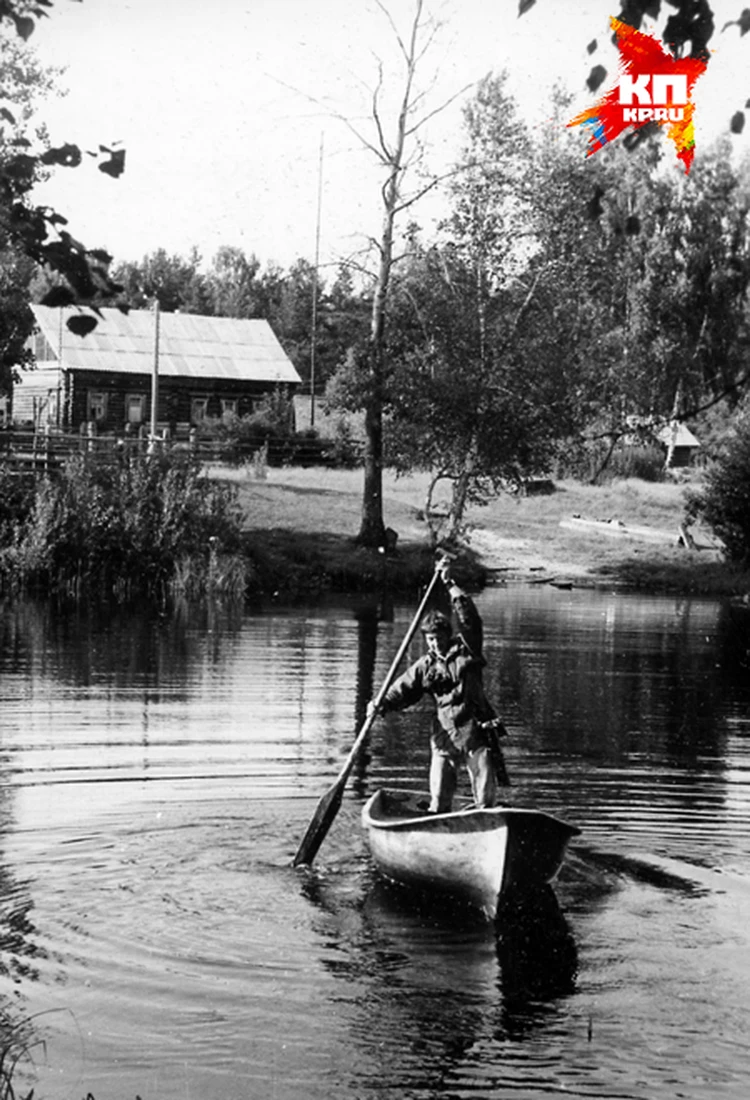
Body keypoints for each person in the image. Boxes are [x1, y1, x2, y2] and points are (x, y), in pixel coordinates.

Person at [368, 559, 507, 813]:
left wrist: (449, 583)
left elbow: (470, 619)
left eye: (439, 637)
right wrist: (381, 704)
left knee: (486, 796)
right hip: (445, 732)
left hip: (476, 728)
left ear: (448, 634)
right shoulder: (425, 666)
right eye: (430, 639)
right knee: (440, 800)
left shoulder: (468, 648)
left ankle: (485, 821)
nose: (435, 644)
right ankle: (438, 824)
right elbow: (402, 689)